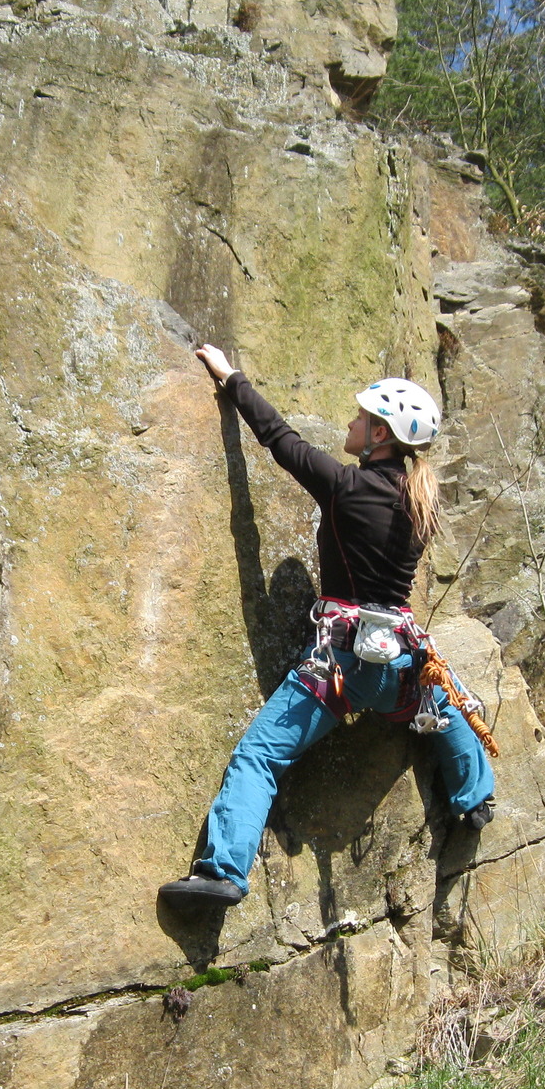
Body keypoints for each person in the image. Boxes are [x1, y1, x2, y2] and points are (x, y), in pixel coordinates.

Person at [159, 344, 497, 912]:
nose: (350, 422)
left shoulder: (347, 488)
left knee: (258, 756)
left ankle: (223, 873)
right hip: (402, 663)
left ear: (380, 436)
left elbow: (277, 438)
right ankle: (475, 798)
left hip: (341, 665)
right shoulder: (419, 503)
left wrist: (230, 376)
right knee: (452, 708)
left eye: (361, 418)